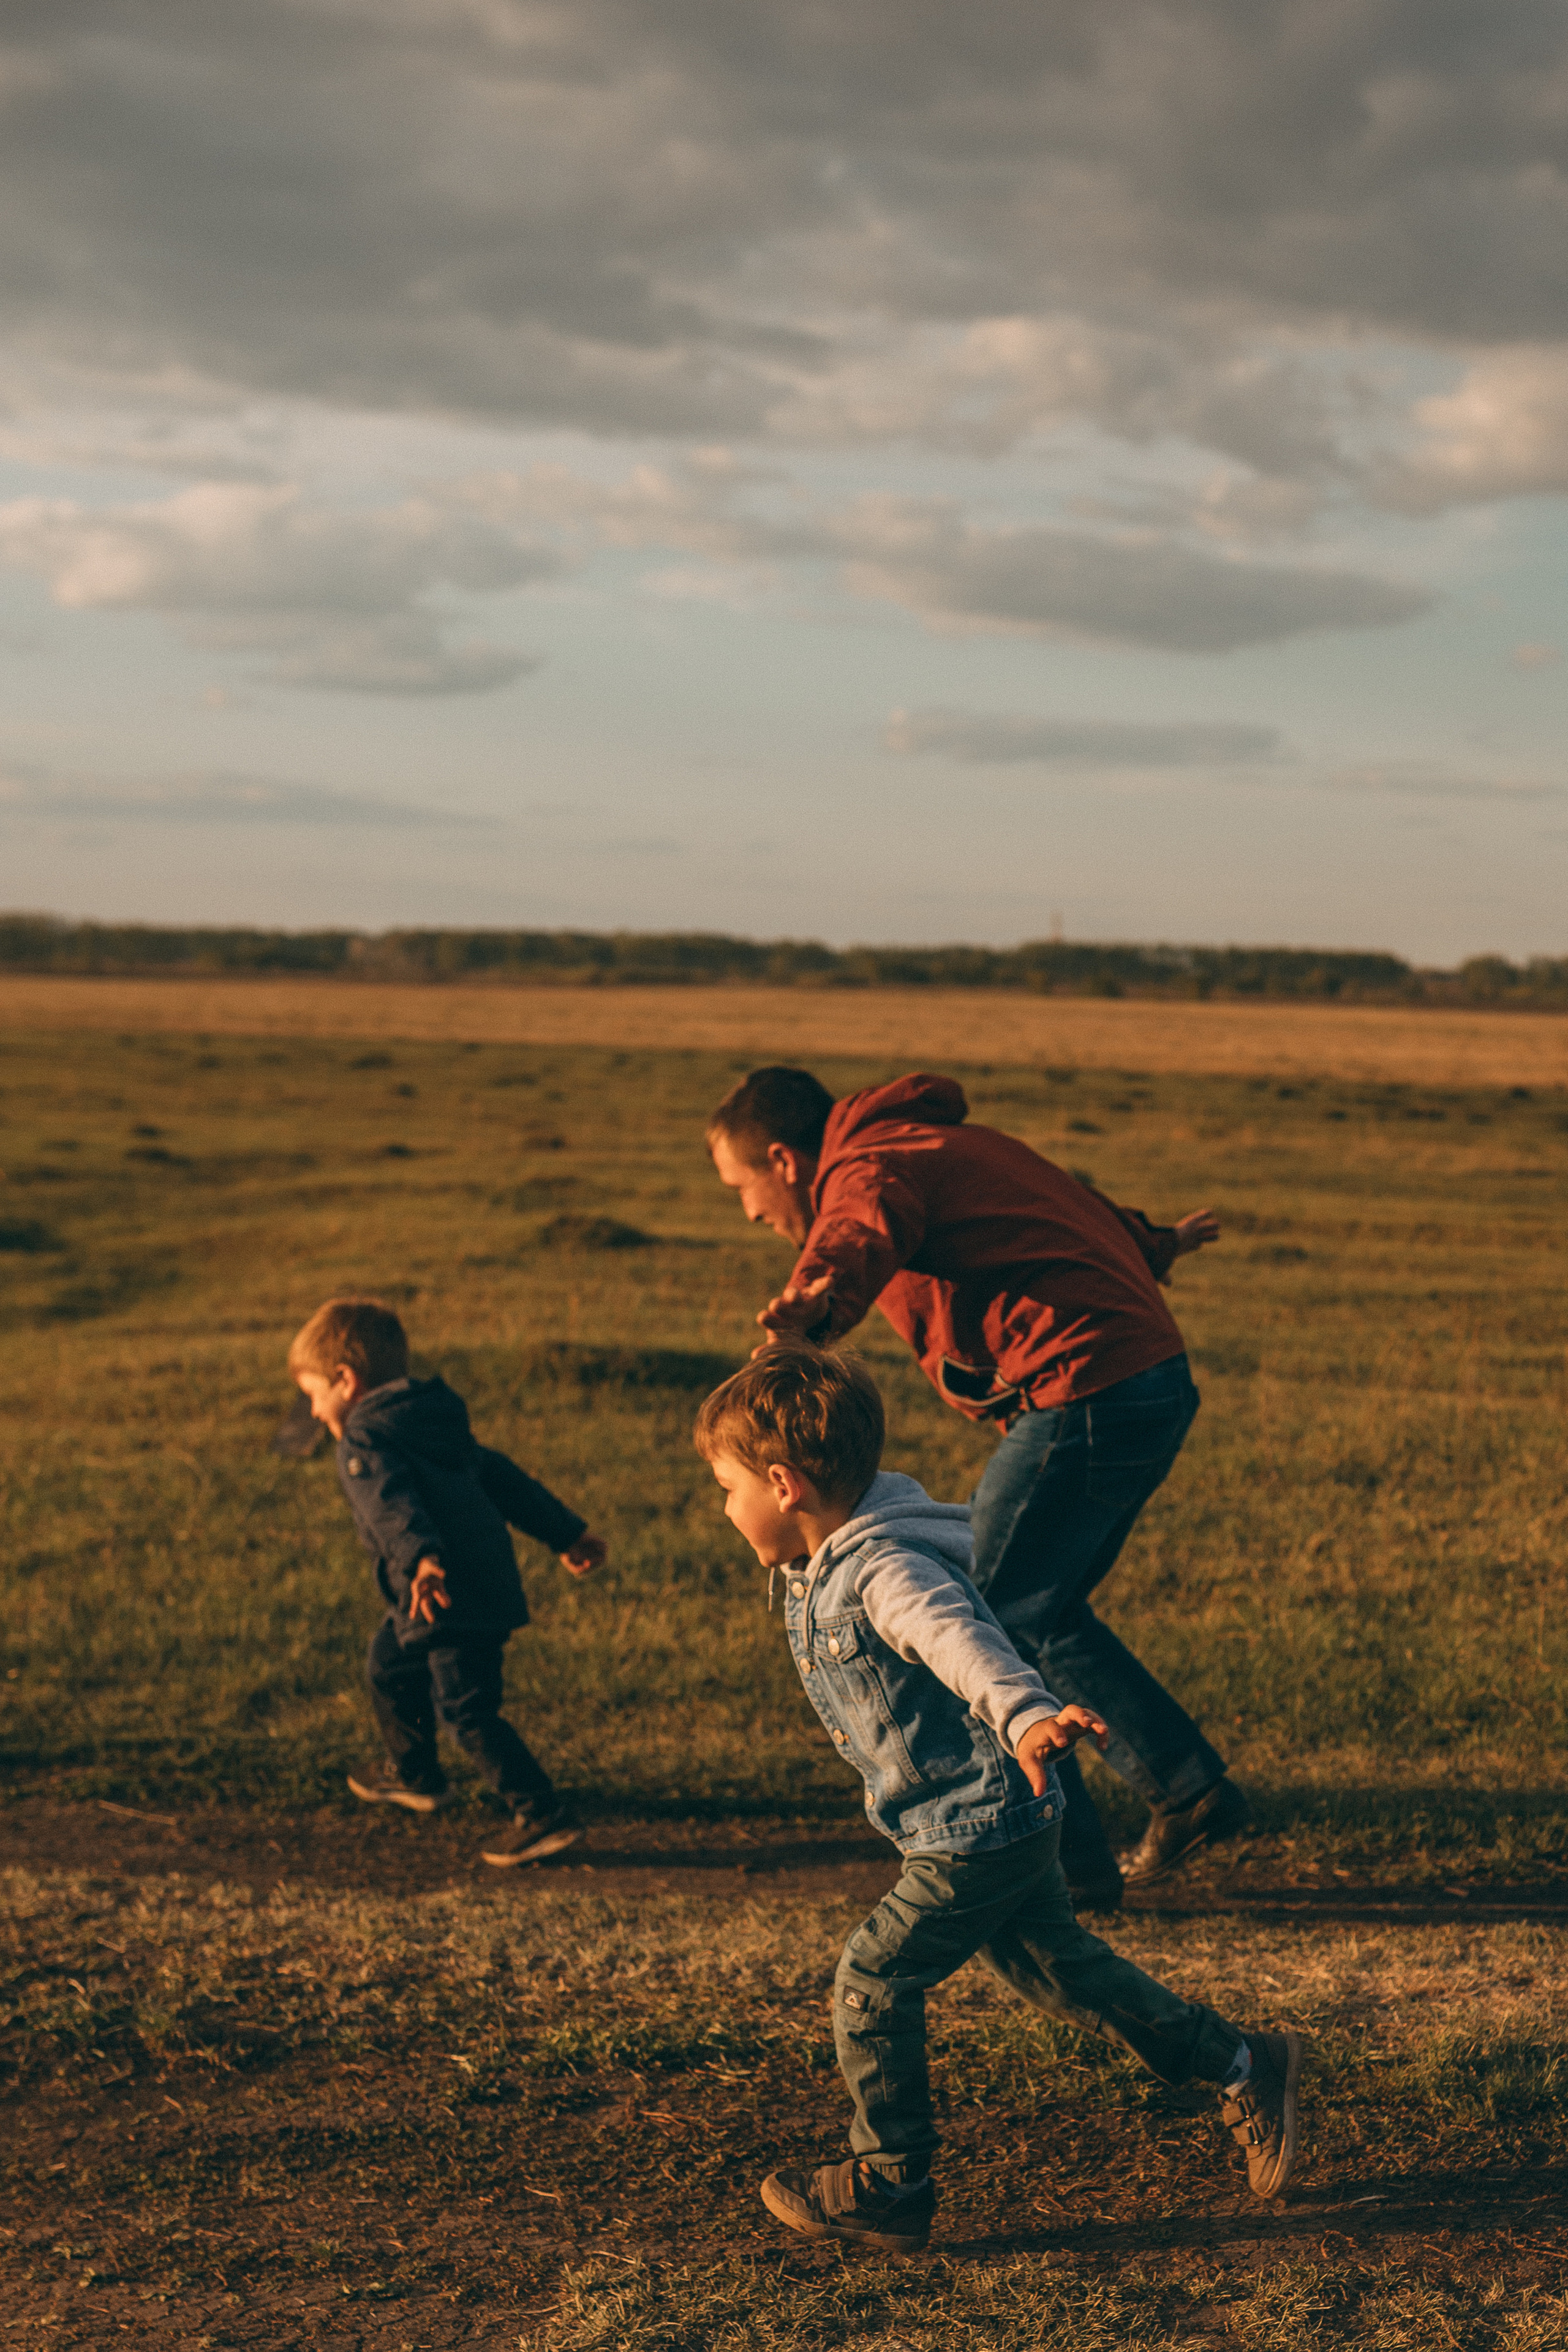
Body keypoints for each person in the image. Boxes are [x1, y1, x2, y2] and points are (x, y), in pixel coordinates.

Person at [694, 1344, 1302, 2254]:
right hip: (992, 1821)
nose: (725, 1507)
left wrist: (1024, 1717)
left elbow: (957, 1639)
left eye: (726, 1486)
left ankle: (892, 2180)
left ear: (783, 1484)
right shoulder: (825, 1556)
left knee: (874, 1977)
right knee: (1063, 1971)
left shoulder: (885, 1571)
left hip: (975, 1828)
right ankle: (1245, 2063)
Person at [706, 1065, 1249, 1908]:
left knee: (988, 1612)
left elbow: (858, 1224)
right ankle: (1184, 1793)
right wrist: (1152, 1245)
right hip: (1146, 1377)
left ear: (782, 1160)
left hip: (1086, 1386)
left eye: (739, 1186)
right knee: (1042, 1608)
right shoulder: (940, 1141)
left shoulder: (870, 1164)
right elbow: (1066, 1203)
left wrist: (818, 1300)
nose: (746, 1211)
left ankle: (1069, 1869)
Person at [288, 1296, 606, 1866]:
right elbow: (503, 1477)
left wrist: (422, 1561)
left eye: (313, 1395)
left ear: (345, 1381)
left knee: (468, 1709)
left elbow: (393, 1506)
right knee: (388, 1664)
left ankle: (541, 1814)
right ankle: (414, 1774)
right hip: (459, 1584)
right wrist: (566, 1533)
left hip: (439, 1590)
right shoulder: (434, 1420)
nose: (312, 1413)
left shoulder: (365, 1439)